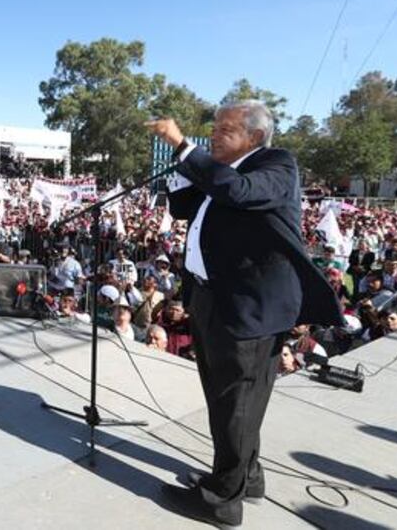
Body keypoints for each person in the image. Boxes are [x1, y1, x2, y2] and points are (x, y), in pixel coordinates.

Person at [148, 101, 343, 527]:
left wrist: (182, 146)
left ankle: (223, 499)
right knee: (233, 401)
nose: (214, 135)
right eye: (214, 128)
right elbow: (182, 208)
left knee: (235, 403)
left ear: (254, 137)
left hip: (248, 307)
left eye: (226, 129)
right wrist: (183, 163)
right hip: (212, 298)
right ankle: (245, 476)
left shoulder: (276, 164)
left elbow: (238, 193)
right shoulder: (221, 172)